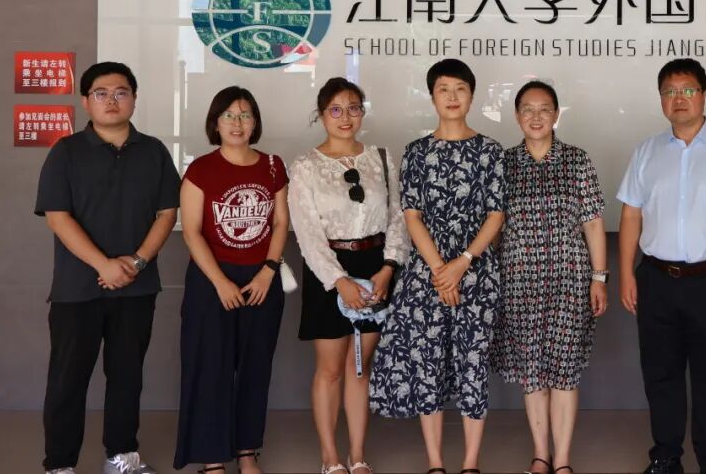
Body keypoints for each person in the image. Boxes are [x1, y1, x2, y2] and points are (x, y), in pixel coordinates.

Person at [617, 58, 706, 474]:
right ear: (660, 99)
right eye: (670, 91)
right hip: (656, 279)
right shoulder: (646, 152)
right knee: (660, 374)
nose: (678, 98)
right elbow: (631, 215)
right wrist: (626, 273)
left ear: (703, 95)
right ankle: (666, 456)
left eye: (687, 90)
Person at [35, 61, 180, 474]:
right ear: (86, 101)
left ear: (134, 98)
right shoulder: (65, 152)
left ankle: (121, 456)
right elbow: (57, 217)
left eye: (121, 92)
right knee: (67, 381)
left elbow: (167, 213)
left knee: (127, 377)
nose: (111, 100)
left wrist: (136, 261)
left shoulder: (153, 151)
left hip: (136, 287)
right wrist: (104, 264)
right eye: (101, 93)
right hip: (76, 289)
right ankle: (59, 464)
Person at [369, 59, 506, 474]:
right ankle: (434, 462)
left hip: (476, 274)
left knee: (472, 366)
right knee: (427, 364)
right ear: (432, 96)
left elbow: (495, 214)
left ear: (472, 96)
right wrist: (439, 270)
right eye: (443, 89)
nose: (452, 96)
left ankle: (470, 462)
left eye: (460, 88)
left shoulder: (490, 150)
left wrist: (461, 263)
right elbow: (412, 216)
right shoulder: (417, 152)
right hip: (427, 276)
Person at [289, 77, 409, 474]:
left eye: (353, 108)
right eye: (336, 110)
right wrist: (338, 281)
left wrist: (388, 268)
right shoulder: (306, 166)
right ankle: (330, 457)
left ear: (363, 112)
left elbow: (397, 218)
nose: (345, 117)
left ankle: (357, 455)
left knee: (360, 367)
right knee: (330, 369)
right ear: (321, 115)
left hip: (375, 267)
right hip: (328, 270)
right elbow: (307, 232)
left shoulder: (381, 158)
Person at [491, 80, 609, 474]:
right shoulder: (504, 164)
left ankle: (563, 461)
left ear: (557, 114)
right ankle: (541, 455)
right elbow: (493, 227)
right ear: (517, 116)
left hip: (569, 282)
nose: (536, 116)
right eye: (528, 109)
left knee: (564, 373)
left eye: (544, 109)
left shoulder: (577, 160)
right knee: (533, 374)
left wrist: (599, 277)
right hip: (519, 283)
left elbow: (593, 223)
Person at [173, 87, 290, 474]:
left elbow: (280, 223)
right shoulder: (201, 169)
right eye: (228, 115)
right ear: (215, 123)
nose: (237, 123)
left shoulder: (272, 166)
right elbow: (192, 232)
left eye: (244, 115)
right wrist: (220, 282)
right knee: (212, 368)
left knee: (256, 368)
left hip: (261, 279)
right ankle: (212, 457)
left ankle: (246, 451)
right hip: (212, 280)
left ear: (255, 122)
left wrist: (268, 271)